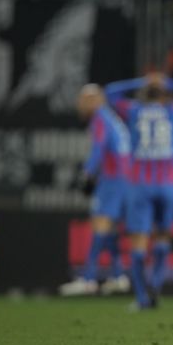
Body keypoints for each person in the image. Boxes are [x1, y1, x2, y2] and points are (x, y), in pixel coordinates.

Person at [105, 74, 173, 310]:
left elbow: (110, 92)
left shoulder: (133, 110)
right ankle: (155, 287)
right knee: (163, 236)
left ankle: (142, 298)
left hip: (139, 185)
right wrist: (169, 83)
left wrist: (141, 81)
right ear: (164, 95)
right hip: (168, 185)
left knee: (139, 241)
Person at [60, 84, 131, 296]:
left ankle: (89, 278)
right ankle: (118, 276)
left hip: (112, 178)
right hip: (124, 177)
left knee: (100, 223)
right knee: (109, 227)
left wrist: (87, 174)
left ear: (93, 100)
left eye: (83, 99)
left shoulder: (100, 117)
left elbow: (100, 148)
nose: (79, 104)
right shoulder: (111, 117)